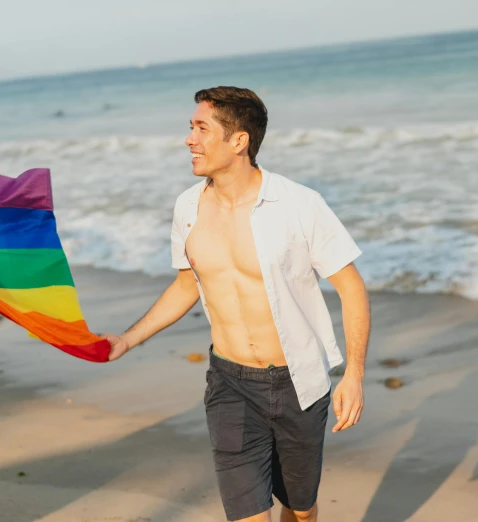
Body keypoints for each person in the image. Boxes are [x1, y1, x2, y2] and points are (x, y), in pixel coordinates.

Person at [101, 86, 370, 522]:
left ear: (239, 140)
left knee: (300, 508)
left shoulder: (299, 204)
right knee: (247, 515)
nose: (190, 139)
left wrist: (354, 374)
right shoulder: (188, 208)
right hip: (230, 383)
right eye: (190, 128)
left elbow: (351, 286)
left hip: (298, 381)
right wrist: (127, 340)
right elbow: (187, 285)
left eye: (202, 128)